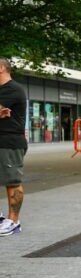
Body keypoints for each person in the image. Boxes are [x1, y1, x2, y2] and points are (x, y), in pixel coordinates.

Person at [0, 57, 27, 237]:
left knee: (12, 182)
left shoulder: (13, 89)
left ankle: (14, 221)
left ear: (1, 68)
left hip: (10, 143)